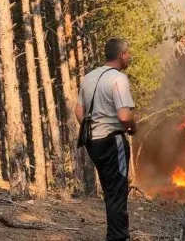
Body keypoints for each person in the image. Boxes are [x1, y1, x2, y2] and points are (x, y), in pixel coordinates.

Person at [75, 38, 137, 241]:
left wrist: (94, 128)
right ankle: (118, 237)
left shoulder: (89, 77)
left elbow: (79, 111)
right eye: (128, 53)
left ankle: (115, 235)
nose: (129, 56)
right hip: (113, 140)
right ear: (121, 55)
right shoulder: (118, 79)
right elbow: (124, 116)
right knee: (117, 192)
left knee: (110, 190)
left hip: (94, 142)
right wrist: (133, 127)